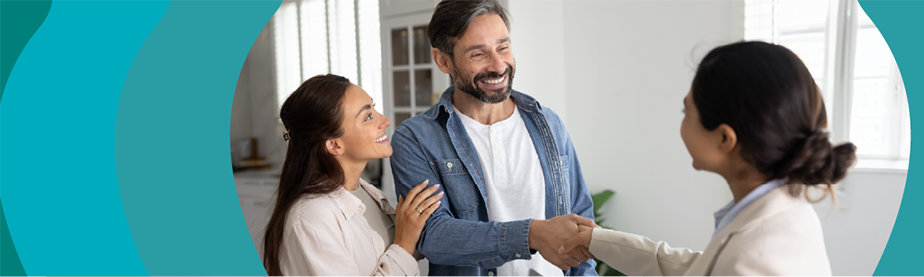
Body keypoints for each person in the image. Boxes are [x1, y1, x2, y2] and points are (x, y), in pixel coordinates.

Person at [557, 41, 857, 276]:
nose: (682, 121)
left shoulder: (753, 256)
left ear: (725, 139)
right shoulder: (783, 211)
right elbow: (699, 269)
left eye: (686, 111)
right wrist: (599, 241)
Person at [388, 0, 599, 276]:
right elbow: (434, 235)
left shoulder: (548, 123)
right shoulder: (416, 138)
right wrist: (530, 234)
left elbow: (581, 222)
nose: (499, 66)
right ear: (443, 60)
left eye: (503, 47)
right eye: (478, 54)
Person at [261, 74, 443, 277]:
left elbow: (395, 252)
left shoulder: (363, 192)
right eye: (368, 117)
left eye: (373, 109)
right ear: (334, 144)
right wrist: (405, 244)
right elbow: (402, 248)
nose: (385, 120)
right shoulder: (312, 217)